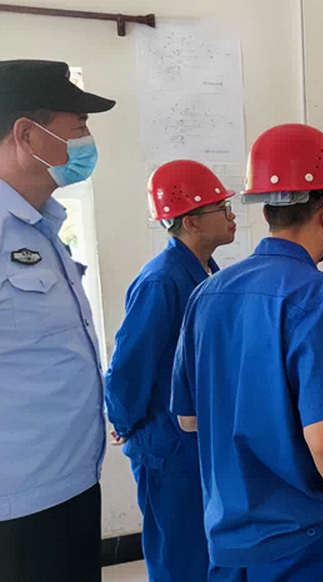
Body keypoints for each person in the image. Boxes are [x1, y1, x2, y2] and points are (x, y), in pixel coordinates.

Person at [170, 124, 323, 581]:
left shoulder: (208, 292)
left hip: (230, 543)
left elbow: (188, 419)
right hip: (310, 544)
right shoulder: (322, 297)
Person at [0, 59, 115, 582]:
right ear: (27, 135)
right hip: (16, 508)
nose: (87, 142)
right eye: (79, 126)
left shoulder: (42, 226)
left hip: (71, 483)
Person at [104, 160, 236, 581]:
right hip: (167, 449)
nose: (232, 216)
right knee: (179, 559)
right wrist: (124, 422)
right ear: (191, 221)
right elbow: (128, 366)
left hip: (197, 444)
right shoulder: (161, 281)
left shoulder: (206, 273)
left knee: (208, 554)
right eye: (222, 208)